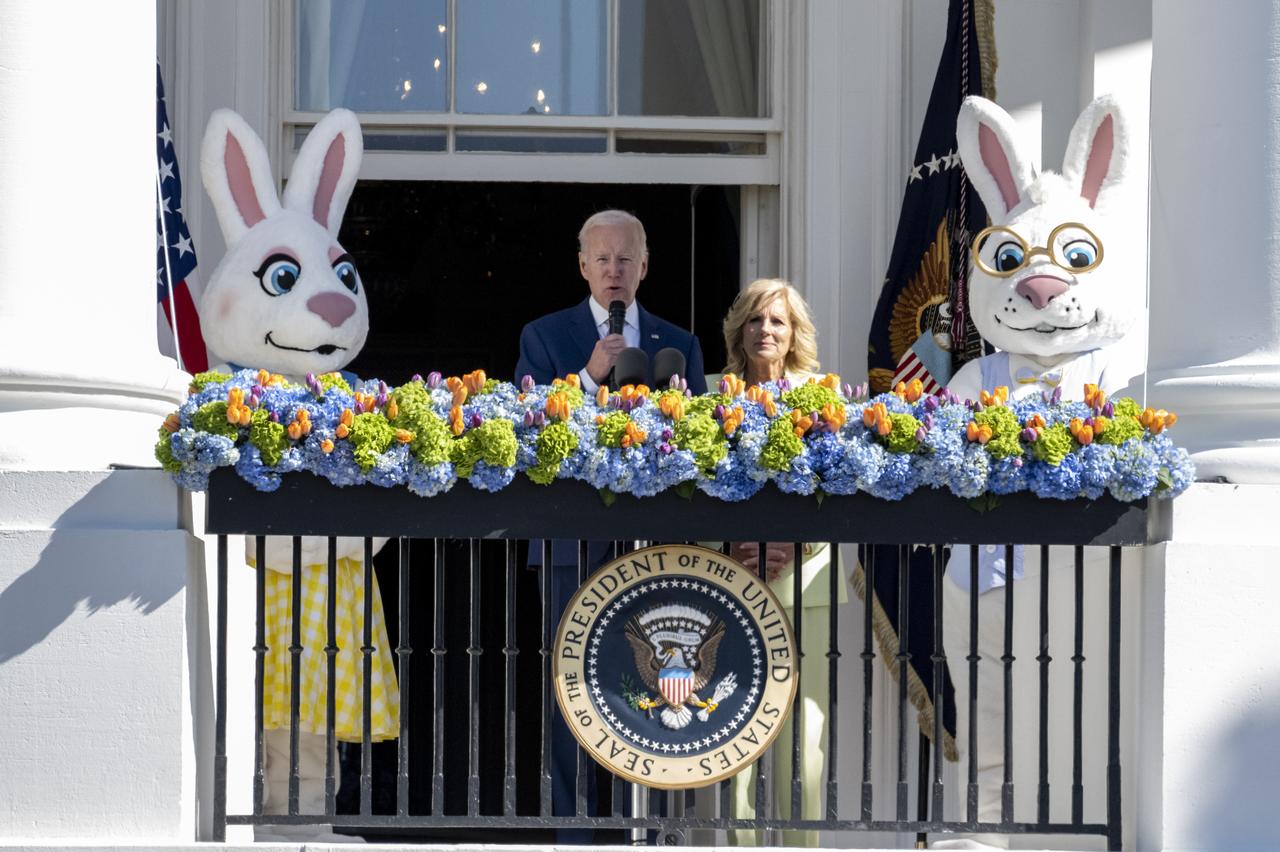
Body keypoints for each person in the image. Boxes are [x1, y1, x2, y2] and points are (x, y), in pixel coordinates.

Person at [513, 209, 707, 839]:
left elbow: (704, 441)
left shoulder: (680, 342)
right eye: (602, 259)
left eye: (626, 259)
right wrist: (588, 377)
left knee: (651, 684)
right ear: (583, 267)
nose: (614, 270)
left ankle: (641, 828)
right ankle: (573, 831)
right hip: (571, 546)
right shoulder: (544, 336)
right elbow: (526, 430)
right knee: (573, 692)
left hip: (653, 550)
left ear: (645, 266)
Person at [717, 278, 847, 848]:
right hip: (733, 575)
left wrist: (794, 543)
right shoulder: (709, 397)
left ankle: (802, 845)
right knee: (730, 723)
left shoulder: (823, 394)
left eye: (777, 322)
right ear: (739, 330)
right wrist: (737, 543)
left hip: (808, 577)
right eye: (754, 320)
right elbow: (697, 486)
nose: (765, 331)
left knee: (805, 730)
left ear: (795, 333)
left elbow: (843, 485)